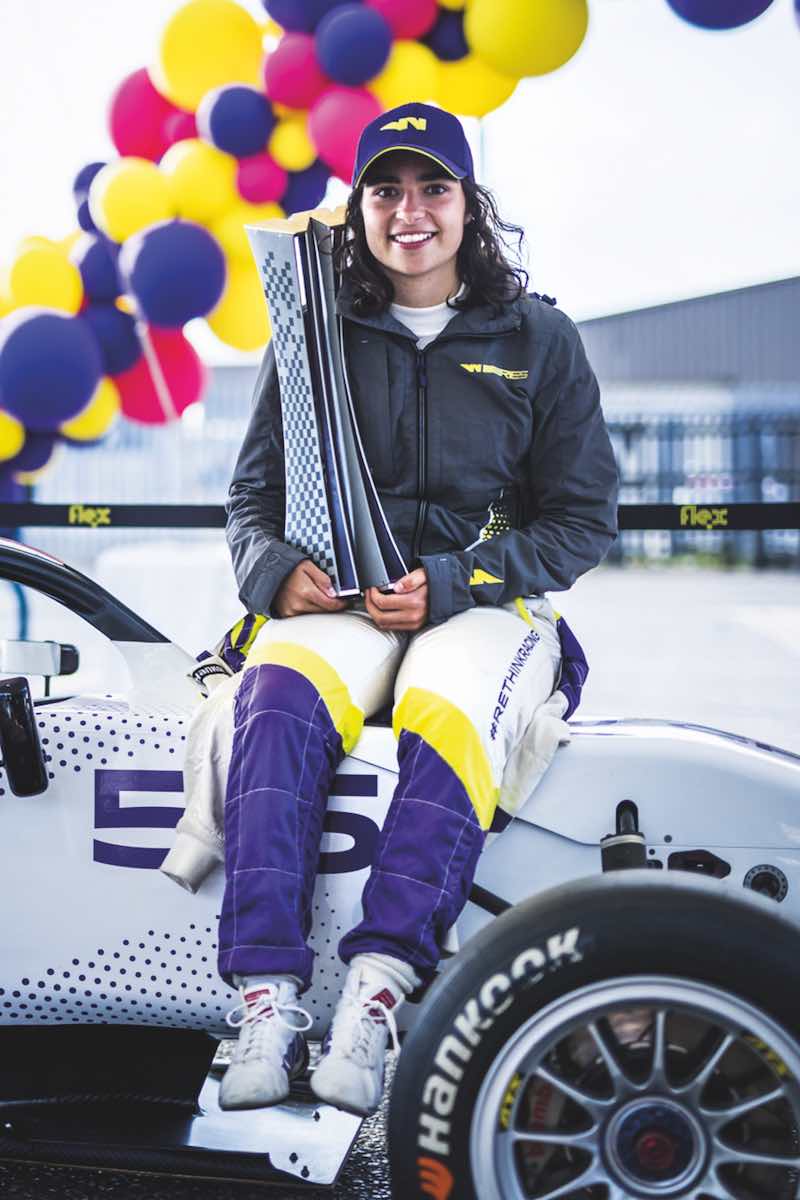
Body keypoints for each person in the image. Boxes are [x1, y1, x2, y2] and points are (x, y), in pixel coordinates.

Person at [183, 101, 618, 1116]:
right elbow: (250, 497)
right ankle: (263, 999)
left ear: (470, 205)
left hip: (473, 604)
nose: (408, 210)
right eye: (385, 188)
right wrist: (275, 576)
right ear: (358, 207)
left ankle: (375, 998)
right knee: (278, 695)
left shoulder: (537, 337)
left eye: (432, 187)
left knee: (447, 712)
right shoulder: (315, 333)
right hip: (335, 602)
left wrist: (461, 582)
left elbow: (583, 518)